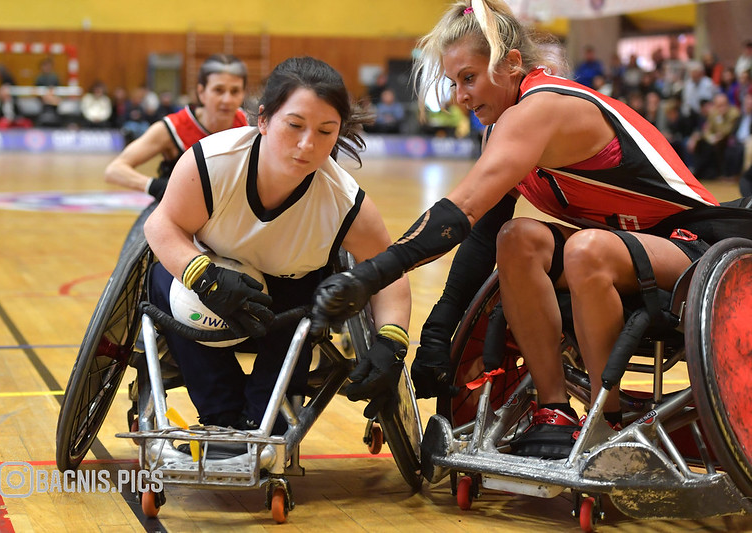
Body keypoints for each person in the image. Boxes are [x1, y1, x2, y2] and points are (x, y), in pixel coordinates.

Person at [310, 0, 723, 460]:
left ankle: (605, 419)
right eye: (453, 83)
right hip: (622, 251)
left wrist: (368, 276)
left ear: (510, 65)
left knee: (587, 249)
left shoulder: (542, 106)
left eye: (469, 78)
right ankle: (554, 411)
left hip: (697, 249)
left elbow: (458, 211)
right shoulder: (502, 127)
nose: (460, 96)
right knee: (517, 238)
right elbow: (482, 236)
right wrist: (435, 336)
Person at [143, 56, 411, 438]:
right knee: (169, 286)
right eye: (295, 125)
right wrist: (199, 273)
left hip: (286, 304)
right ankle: (220, 416)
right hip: (205, 278)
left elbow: (388, 275)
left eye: (325, 131)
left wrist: (391, 340)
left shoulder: (345, 202)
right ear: (264, 119)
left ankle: (262, 422)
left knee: (311, 304)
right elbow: (161, 224)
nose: (307, 144)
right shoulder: (212, 163)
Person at [105, 55, 249, 202]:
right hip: (174, 209)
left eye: (235, 91)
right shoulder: (173, 127)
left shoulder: (248, 125)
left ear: (243, 93)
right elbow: (114, 170)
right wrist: (158, 186)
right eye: (218, 90)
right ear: (201, 92)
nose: (227, 99)